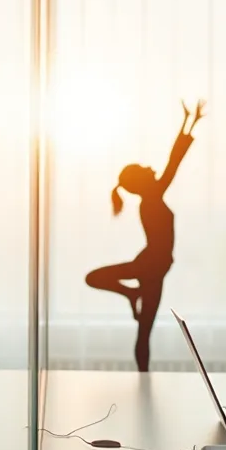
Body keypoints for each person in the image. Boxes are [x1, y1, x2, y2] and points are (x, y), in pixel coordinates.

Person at [86, 99, 205, 372]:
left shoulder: (152, 197)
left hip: (153, 268)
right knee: (141, 328)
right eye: (144, 169)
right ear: (141, 182)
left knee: (144, 330)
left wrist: (190, 121)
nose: (151, 168)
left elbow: (173, 161)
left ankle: (132, 298)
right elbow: (173, 161)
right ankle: (132, 295)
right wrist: (189, 122)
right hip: (150, 267)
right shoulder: (151, 199)